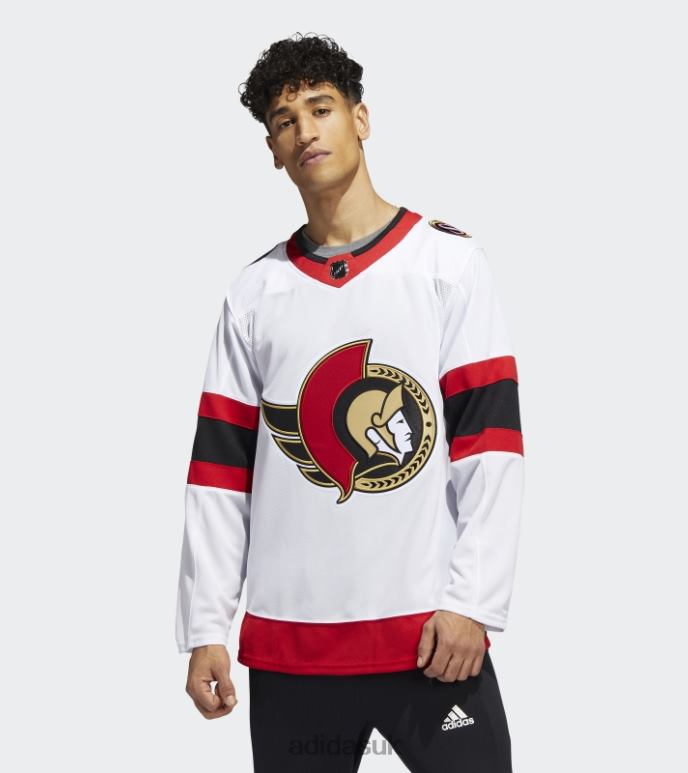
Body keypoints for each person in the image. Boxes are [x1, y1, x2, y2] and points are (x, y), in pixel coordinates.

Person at [175, 32, 524, 772]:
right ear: (272, 150)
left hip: (430, 640)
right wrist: (206, 624)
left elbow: (489, 446)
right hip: (292, 650)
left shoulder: (447, 264)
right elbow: (220, 472)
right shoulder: (254, 294)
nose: (305, 130)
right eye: (284, 120)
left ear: (360, 119)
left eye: (320, 108)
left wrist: (473, 603)